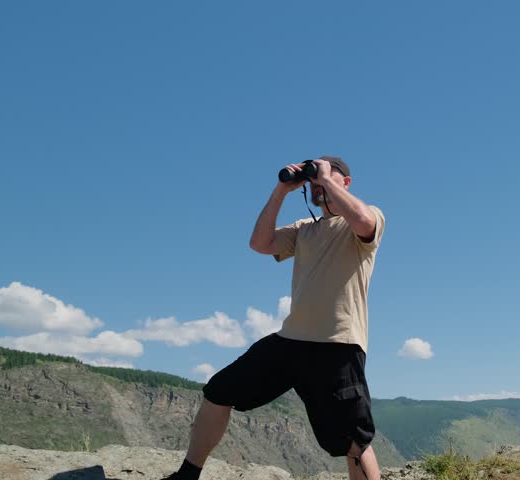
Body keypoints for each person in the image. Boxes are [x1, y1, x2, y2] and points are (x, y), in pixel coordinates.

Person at [162, 156, 385, 480]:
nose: (317, 184)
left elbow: (363, 221)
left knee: (353, 439)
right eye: (313, 180)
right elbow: (260, 243)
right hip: (291, 341)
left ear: (345, 183)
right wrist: (282, 190)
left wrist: (327, 178)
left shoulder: (367, 216)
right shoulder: (304, 230)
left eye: (327, 177)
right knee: (218, 391)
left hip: (337, 345)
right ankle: (187, 475)